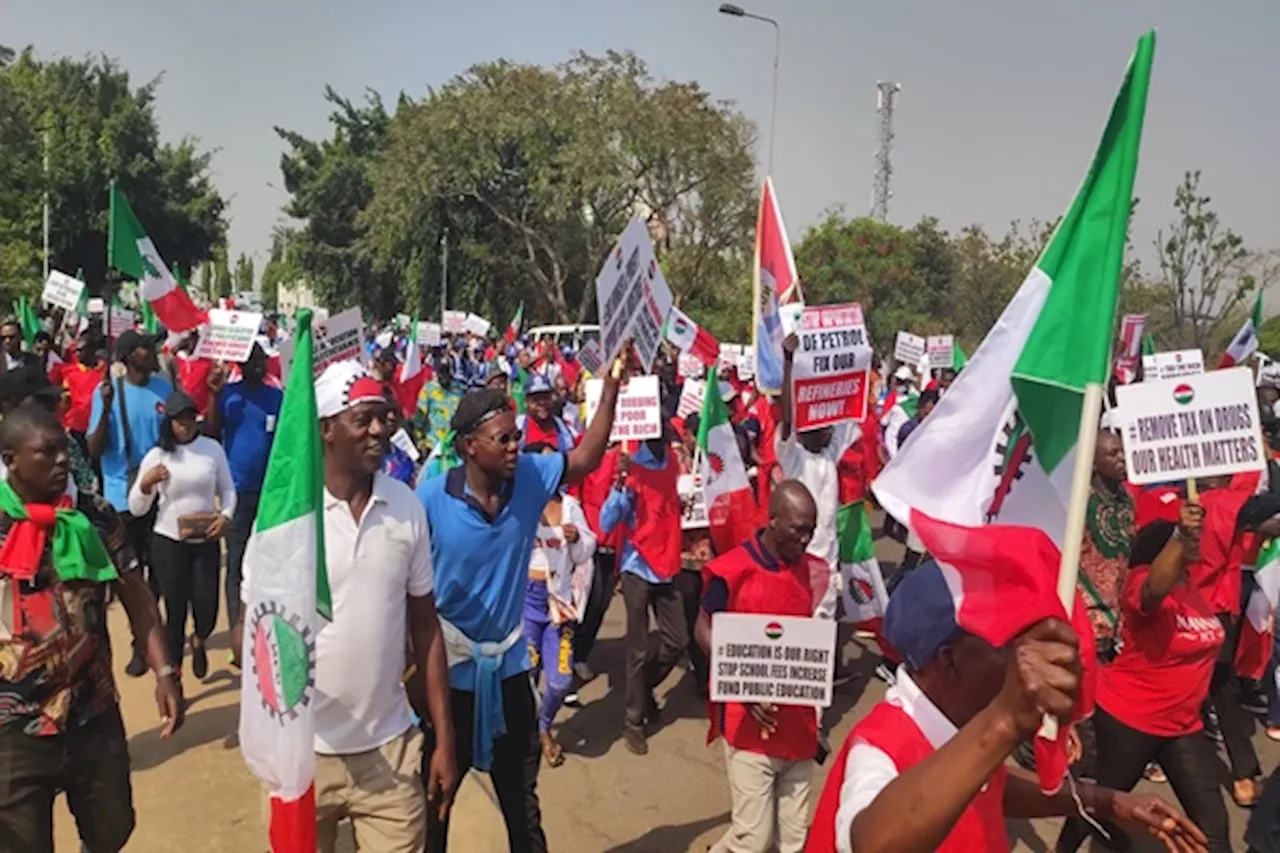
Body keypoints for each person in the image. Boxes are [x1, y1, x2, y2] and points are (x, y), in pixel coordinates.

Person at [805, 536, 1209, 853]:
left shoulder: (957, 728)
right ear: (949, 661)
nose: (1028, 655)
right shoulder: (879, 744)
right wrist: (1005, 719)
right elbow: (870, 842)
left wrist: (1106, 801)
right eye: (1009, 641)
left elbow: (993, 785)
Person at [232, 360, 457, 852]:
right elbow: (248, 627)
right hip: (302, 758)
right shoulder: (286, 518)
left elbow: (426, 629)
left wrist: (444, 736)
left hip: (391, 753)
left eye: (383, 417)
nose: (379, 430)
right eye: (363, 419)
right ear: (326, 429)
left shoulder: (406, 507)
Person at [415, 343, 628, 853]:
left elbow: (586, 457)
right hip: (448, 682)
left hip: (510, 674)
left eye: (518, 437)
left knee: (523, 809)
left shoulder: (530, 479)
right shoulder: (429, 500)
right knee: (435, 807)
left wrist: (613, 387)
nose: (516, 447)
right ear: (469, 446)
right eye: (503, 438)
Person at [0, 403, 183, 851]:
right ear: (10, 460)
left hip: (92, 712)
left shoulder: (95, 515)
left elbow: (136, 594)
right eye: (46, 453)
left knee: (113, 829)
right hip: (13, 727)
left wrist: (164, 671)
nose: (62, 460)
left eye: (64, 450)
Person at [1056, 495, 1237, 852]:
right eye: (1186, 541)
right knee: (1099, 804)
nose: (1197, 543)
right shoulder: (1142, 582)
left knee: (1213, 827)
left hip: (1183, 726)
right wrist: (1180, 537)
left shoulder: (1191, 589)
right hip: (1130, 718)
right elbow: (1154, 589)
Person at [696, 480, 828, 853]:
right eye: (798, 529)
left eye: (811, 531)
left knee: (793, 839)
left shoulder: (811, 570)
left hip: (798, 723)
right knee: (753, 840)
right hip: (747, 722)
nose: (805, 540)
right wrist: (741, 683)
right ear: (772, 520)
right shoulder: (733, 570)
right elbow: (703, 627)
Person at [129, 390, 236, 681]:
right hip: (168, 541)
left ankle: (200, 639)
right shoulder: (157, 456)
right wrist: (146, 485)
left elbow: (227, 489)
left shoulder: (211, 449)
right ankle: (174, 678)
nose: (185, 425)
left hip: (206, 540)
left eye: (190, 418)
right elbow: (136, 508)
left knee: (206, 607)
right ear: (170, 423)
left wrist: (225, 516)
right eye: (179, 420)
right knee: (174, 611)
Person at [87, 328, 171, 677]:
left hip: (161, 495)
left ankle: (153, 635)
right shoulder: (108, 391)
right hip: (122, 497)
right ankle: (139, 642)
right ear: (130, 356)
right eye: (146, 348)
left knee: (161, 573)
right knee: (131, 576)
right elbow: (93, 448)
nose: (154, 352)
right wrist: (105, 409)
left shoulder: (164, 389)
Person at [600, 421, 686, 756]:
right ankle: (633, 721)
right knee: (636, 647)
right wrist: (621, 485)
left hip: (667, 564)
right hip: (638, 565)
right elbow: (608, 521)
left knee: (677, 640)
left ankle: (644, 686)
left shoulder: (674, 463)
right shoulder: (630, 467)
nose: (661, 438)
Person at [203, 341, 283, 658]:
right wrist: (213, 395)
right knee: (236, 562)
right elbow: (210, 433)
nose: (258, 364)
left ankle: (266, 629)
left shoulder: (278, 397)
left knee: (269, 562)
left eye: (262, 359)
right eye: (252, 360)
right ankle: (240, 633)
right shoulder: (228, 395)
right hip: (236, 494)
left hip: (270, 495)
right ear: (241, 364)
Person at [521, 441, 597, 767]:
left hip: (558, 605)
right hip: (523, 603)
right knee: (526, 672)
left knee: (560, 681)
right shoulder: (518, 505)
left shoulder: (570, 507)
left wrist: (577, 538)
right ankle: (524, 735)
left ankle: (544, 726)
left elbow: (587, 550)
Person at [778, 333, 858, 619]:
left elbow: (851, 412)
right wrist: (788, 362)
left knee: (824, 629)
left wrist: (855, 359)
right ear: (805, 430)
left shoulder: (829, 455)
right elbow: (787, 419)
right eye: (823, 427)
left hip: (829, 561)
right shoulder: (793, 456)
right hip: (799, 561)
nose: (829, 432)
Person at [54, 329, 108, 458]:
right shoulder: (70, 373)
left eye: (80, 350)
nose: (77, 354)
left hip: (99, 426)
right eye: (75, 351)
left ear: (92, 349)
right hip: (76, 428)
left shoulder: (106, 371)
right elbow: (65, 401)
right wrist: (62, 423)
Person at [414, 355, 463, 455]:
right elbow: (420, 418)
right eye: (441, 372)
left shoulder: (459, 389)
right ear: (436, 373)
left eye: (447, 372)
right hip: (433, 444)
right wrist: (419, 441)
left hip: (452, 445)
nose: (444, 375)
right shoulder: (428, 389)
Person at [519, 373, 577, 452]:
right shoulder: (517, 427)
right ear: (526, 402)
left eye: (546, 398)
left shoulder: (566, 430)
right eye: (536, 400)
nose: (542, 403)